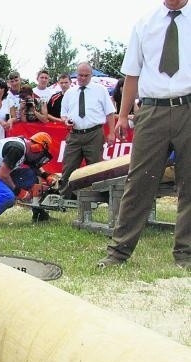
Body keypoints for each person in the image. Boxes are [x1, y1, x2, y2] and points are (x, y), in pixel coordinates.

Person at [98, 0, 191, 269]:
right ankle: (117, 253)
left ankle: (186, 255)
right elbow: (132, 75)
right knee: (138, 182)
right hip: (151, 110)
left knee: (189, 183)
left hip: (189, 106)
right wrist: (122, 115)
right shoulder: (144, 23)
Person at [59, 62, 116, 197]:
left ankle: (99, 197)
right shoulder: (69, 93)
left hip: (94, 134)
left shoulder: (100, 90)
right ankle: (65, 196)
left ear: (91, 75)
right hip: (74, 134)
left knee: (96, 167)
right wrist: (66, 121)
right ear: (75, 75)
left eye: (86, 75)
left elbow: (110, 113)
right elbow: (63, 114)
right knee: (68, 166)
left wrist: (112, 133)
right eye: (80, 75)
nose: (83, 78)